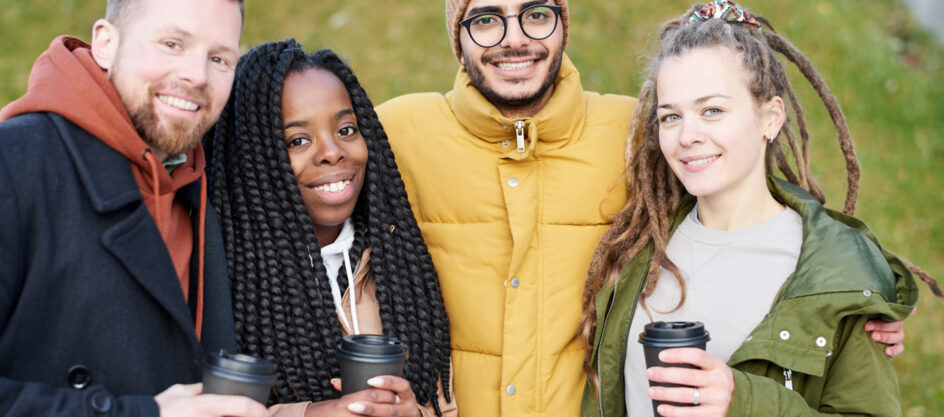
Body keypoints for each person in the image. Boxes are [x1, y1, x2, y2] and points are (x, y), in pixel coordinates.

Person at [375, 1, 911, 416]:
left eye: (537, 14)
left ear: (563, 22)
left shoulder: (630, 144)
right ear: (457, 35)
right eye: (486, 19)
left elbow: (753, 195)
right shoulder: (398, 134)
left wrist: (852, 281)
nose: (515, 38)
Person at [578, 1, 932, 416]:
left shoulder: (835, 275)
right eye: (671, 116)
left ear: (771, 118)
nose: (688, 135)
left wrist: (742, 402)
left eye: (712, 110)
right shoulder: (637, 247)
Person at [0, 1, 269, 416]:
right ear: (105, 43)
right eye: (172, 43)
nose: (197, 74)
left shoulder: (205, 193)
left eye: (219, 58)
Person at [206, 40, 455, 417]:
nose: (332, 151)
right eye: (298, 140)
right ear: (251, 160)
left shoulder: (400, 266)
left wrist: (413, 413)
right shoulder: (223, 278)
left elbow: (443, 404)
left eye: (346, 129)